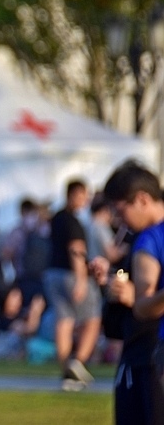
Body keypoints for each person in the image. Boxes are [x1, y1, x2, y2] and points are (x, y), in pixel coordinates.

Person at [102, 160, 164, 423]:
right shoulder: (147, 240)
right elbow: (141, 305)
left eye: (120, 210)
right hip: (145, 351)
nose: (119, 220)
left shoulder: (149, 238)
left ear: (141, 199)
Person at [44, 179, 101, 391]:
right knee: (92, 318)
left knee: (64, 320)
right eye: (83, 195)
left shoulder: (57, 217)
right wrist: (81, 279)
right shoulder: (73, 222)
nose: (86, 200)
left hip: (52, 273)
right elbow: (76, 249)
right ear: (74, 195)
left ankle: (66, 369)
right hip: (69, 274)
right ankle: (78, 361)